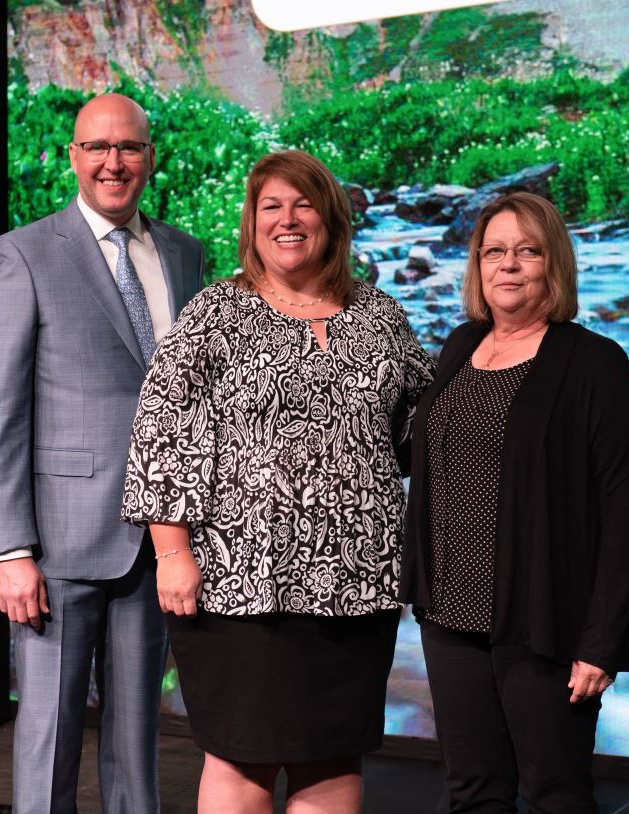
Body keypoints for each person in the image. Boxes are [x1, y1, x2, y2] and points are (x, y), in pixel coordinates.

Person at [122, 149, 435, 814]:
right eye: (272, 206)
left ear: (331, 217)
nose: (288, 220)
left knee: (333, 758)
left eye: (304, 204)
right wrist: (171, 552)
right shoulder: (216, 312)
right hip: (241, 586)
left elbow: (424, 430)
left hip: (358, 587)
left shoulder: (380, 316)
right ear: (252, 223)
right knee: (242, 759)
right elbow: (161, 430)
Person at [0, 93, 204, 814]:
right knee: (48, 743)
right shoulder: (24, 253)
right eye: (97, 147)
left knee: (140, 745)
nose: (113, 162)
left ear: (150, 157)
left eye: (128, 147)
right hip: (58, 549)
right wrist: (11, 550)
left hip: (155, 548)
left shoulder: (185, 253)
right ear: (73, 157)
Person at [400, 191, 629, 813]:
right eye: (494, 251)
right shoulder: (460, 345)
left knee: (555, 793)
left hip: (545, 621)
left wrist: (601, 639)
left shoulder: (596, 363)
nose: (508, 264)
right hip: (450, 615)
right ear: (477, 266)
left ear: (553, 264)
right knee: (473, 791)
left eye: (527, 251)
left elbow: (625, 511)